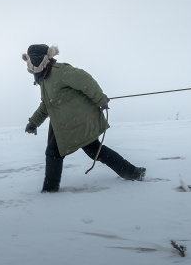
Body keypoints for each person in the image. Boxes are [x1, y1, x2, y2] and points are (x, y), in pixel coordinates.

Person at [22, 44, 146, 192]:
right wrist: (33, 122)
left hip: (76, 121)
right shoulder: (44, 79)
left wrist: (101, 99)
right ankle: (133, 172)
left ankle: (50, 191)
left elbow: (85, 80)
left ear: (43, 58)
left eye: (35, 59)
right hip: (66, 123)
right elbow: (46, 105)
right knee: (94, 150)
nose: (32, 63)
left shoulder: (60, 71)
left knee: (53, 152)